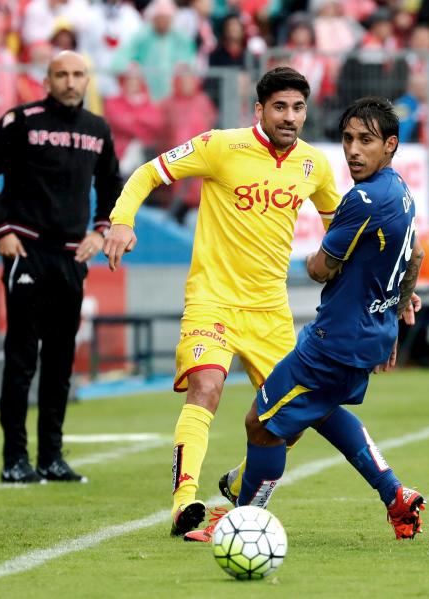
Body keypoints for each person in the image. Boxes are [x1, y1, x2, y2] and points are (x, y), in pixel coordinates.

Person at [102, 67, 342, 538]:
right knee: (206, 388)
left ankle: (238, 482)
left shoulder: (314, 165)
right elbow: (149, 172)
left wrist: (386, 282)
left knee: (294, 416)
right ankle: (184, 503)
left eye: (297, 108)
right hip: (212, 300)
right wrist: (122, 220)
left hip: (270, 311)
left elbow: (340, 232)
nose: (289, 116)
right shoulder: (220, 146)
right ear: (259, 109)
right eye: (279, 107)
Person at [225, 97, 427, 540]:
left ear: (390, 145)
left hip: (335, 339)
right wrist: (394, 314)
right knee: (321, 410)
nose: (353, 150)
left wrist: (309, 262)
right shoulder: (401, 190)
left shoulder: (363, 199)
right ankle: (395, 495)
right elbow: (416, 255)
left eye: (366, 140)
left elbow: (321, 268)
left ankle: (244, 522)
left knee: (261, 424)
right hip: (368, 335)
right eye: (348, 139)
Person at [0, 50, 122, 484]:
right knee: (22, 358)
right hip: (26, 250)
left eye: (78, 74)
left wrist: (100, 231)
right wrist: (2, 229)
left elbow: (112, 184)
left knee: (60, 362)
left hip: (72, 256)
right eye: (62, 74)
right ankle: (14, 459)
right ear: (47, 80)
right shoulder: (21, 120)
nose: (70, 81)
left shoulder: (97, 129)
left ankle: (51, 457)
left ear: (87, 80)